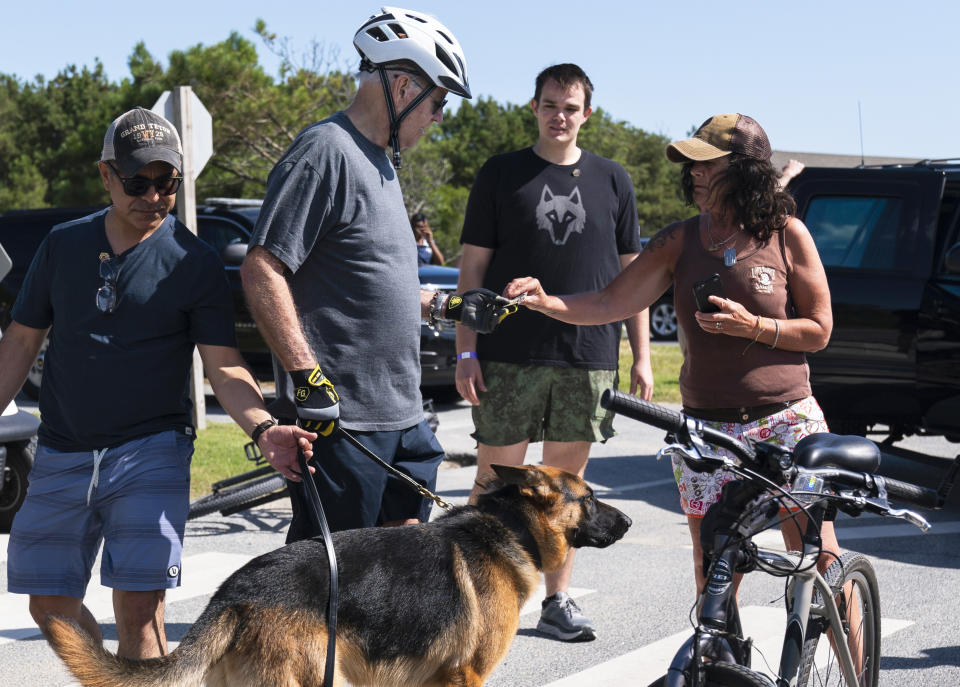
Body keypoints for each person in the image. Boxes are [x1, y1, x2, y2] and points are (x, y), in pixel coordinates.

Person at [0, 107, 316, 659]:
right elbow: (21, 343)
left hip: (151, 450)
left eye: (166, 181)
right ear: (106, 175)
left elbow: (224, 365)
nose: (153, 194)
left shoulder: (192, 261)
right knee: (48, 607)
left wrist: (265, 428)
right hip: (62, 449)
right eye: (137, 181)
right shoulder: (62, 246)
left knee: (140, 615)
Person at [503, 112, 839, 597]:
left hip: (786, 420)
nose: (695, 173)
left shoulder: (787, 234)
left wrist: (755, 326)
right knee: (714, 580)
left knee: (819, 561)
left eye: (708, 165)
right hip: (706, 430)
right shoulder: (679, 240)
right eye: (692, 165)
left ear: (746, 169)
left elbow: (820, 330)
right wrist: (543, 300)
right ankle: (722, 667)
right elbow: (606, 302)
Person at [240, 6, 512, 543]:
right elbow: (262, 268)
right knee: (328, 589)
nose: (439, 117)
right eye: (437, 102)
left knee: (402, 580)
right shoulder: (325, 152)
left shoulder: (382, 162)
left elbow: (372, 280)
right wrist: (306, 376)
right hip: (346, 423)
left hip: (403, 415)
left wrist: (446, 306)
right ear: (404, 85)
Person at [456, 63, 654, 642]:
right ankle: (471, 596)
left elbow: (631, 276)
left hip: (588, 354)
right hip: (508, 353)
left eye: (570, 107)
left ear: (587, 113)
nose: (559, 116)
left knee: (567, 487)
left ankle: (557, 602)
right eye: (549, 105)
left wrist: (641, 355)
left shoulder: (613, 179)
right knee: (496, 481)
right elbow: (472, 270)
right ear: (535, 107)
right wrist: (467, 352)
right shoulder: (501, 174)